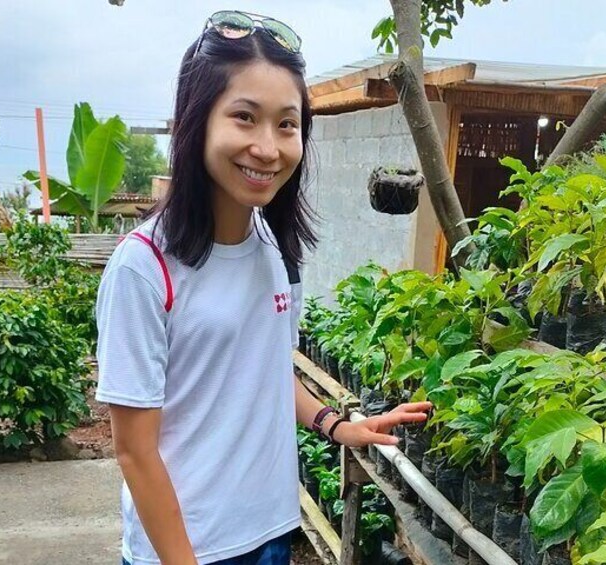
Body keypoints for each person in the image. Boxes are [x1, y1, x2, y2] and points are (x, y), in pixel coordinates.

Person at [95, 10, 432, 565]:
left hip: (271, 528)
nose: (269, 147)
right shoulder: (144, 267)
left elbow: (265, 367)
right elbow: (134, 452)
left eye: (286, 124)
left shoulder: (271, 244)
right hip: (187, 547)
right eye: (245, 118)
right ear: (196, 121)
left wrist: (336, 424)